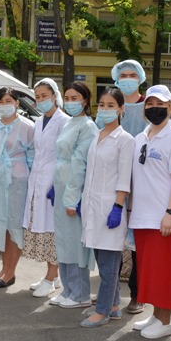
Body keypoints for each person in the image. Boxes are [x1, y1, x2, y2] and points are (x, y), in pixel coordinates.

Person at [128, 84, 171, 339]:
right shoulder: (140, 138)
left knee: (164, 271)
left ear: (170, 107)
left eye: (160, 105)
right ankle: (155, 315)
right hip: (142, 216)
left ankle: (165, 321)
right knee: (150, 270)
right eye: (150, 104)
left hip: (164, 218)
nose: (155, 109)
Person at [80, 88, 134, 328]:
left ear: (121, 109)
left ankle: (102, 311)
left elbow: (124, 176)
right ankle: (113, 306)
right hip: (92, 205)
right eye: (102, 105)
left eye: (111, 105)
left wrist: (118, 206)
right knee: (101, 260)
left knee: (110, 264)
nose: (105, 109)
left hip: (110, 206)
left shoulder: (125, 140)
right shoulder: (97, 134)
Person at [50, 82, 98, 309]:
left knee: (76, 245)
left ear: (85, 101)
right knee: (63, 241)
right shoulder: (70, 123)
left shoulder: (88, 126)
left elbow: (80, 165)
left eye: (75, 98)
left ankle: (80, 294)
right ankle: (68, 289)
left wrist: (72, 198)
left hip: (73, 190)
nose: (70, 102)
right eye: (67, 98)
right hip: (61, 185)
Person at [0, 88, 35, 289]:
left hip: (18, 179)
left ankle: (11, 272)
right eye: (0, 102)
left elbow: (33, 155)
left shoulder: (27, 126)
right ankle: (4, 268)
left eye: (8, 101)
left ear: (16, 103)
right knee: (1, 225)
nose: (4, 105)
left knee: (14, 225)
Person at [23, 78, 69, 298]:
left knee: (52, 231)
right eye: (38, 97)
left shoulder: (64, 121)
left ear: (54, 96)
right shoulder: (39, 121)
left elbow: (66, 156)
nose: (41, 100)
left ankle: (51, 279)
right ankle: (53, 275)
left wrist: (58, 183)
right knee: (41, 227)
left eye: (44, 96)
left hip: (54, 182)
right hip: (37, 181)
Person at [111, 59, 147, 315]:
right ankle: (110, 292)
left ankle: (137, 295)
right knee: (111, 240)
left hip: (141, 183)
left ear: (140, 78)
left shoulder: (149, 106)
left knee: (137, 245)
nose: (127, 79)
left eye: (132, 75)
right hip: (114, 181)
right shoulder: (111, 106)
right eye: (122, 75)